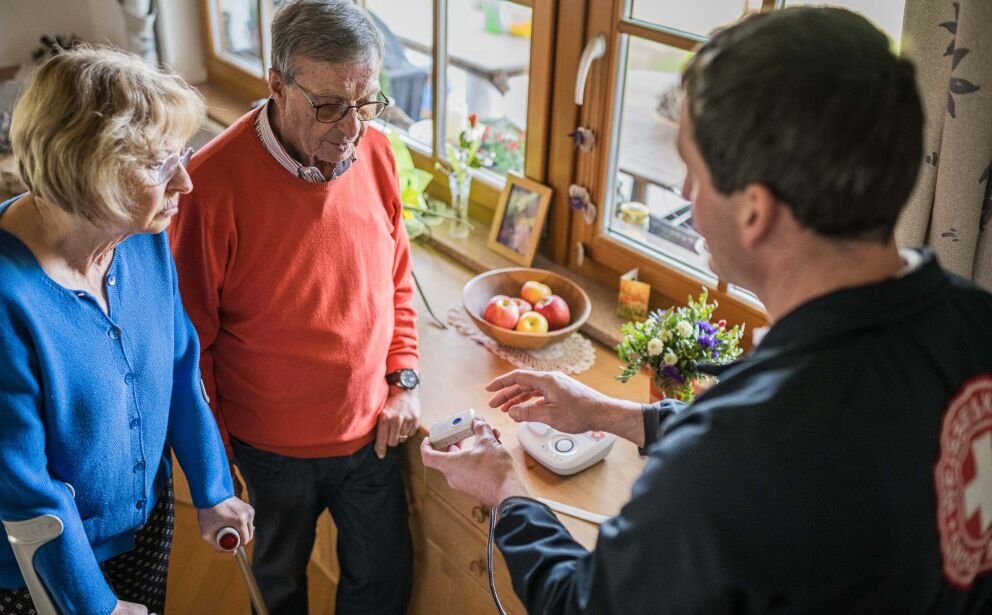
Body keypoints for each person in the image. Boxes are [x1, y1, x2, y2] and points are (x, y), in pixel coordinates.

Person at [422, 7, 992, 614]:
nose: (685, 197)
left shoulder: (724, 461)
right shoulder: (973, 324)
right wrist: (610, 413)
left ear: (754, 210)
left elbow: (585, 605)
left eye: (691, 173)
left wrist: (507, 491)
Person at [169, 1, 419, 612]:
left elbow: (399, 281)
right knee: (279, 586)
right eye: (329, 105)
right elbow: (187, 346)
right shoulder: (209, 188)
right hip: (270, 449)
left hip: (371, 435)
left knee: (384, 580)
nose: (351, 127)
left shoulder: (378, 156)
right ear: (277, 84)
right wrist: (215, 461)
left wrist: (404, 378)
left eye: (365, 103)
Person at [0, 47, 254, 615]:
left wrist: (212, 488)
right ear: (92, 171)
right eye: (162, 166)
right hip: (32, 565)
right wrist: (95, 606)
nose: (186, 182)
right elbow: (22, 483)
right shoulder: (7, 299)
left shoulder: (142, 237)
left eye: (181, 157)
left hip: (143, 521)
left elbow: (180, 365)